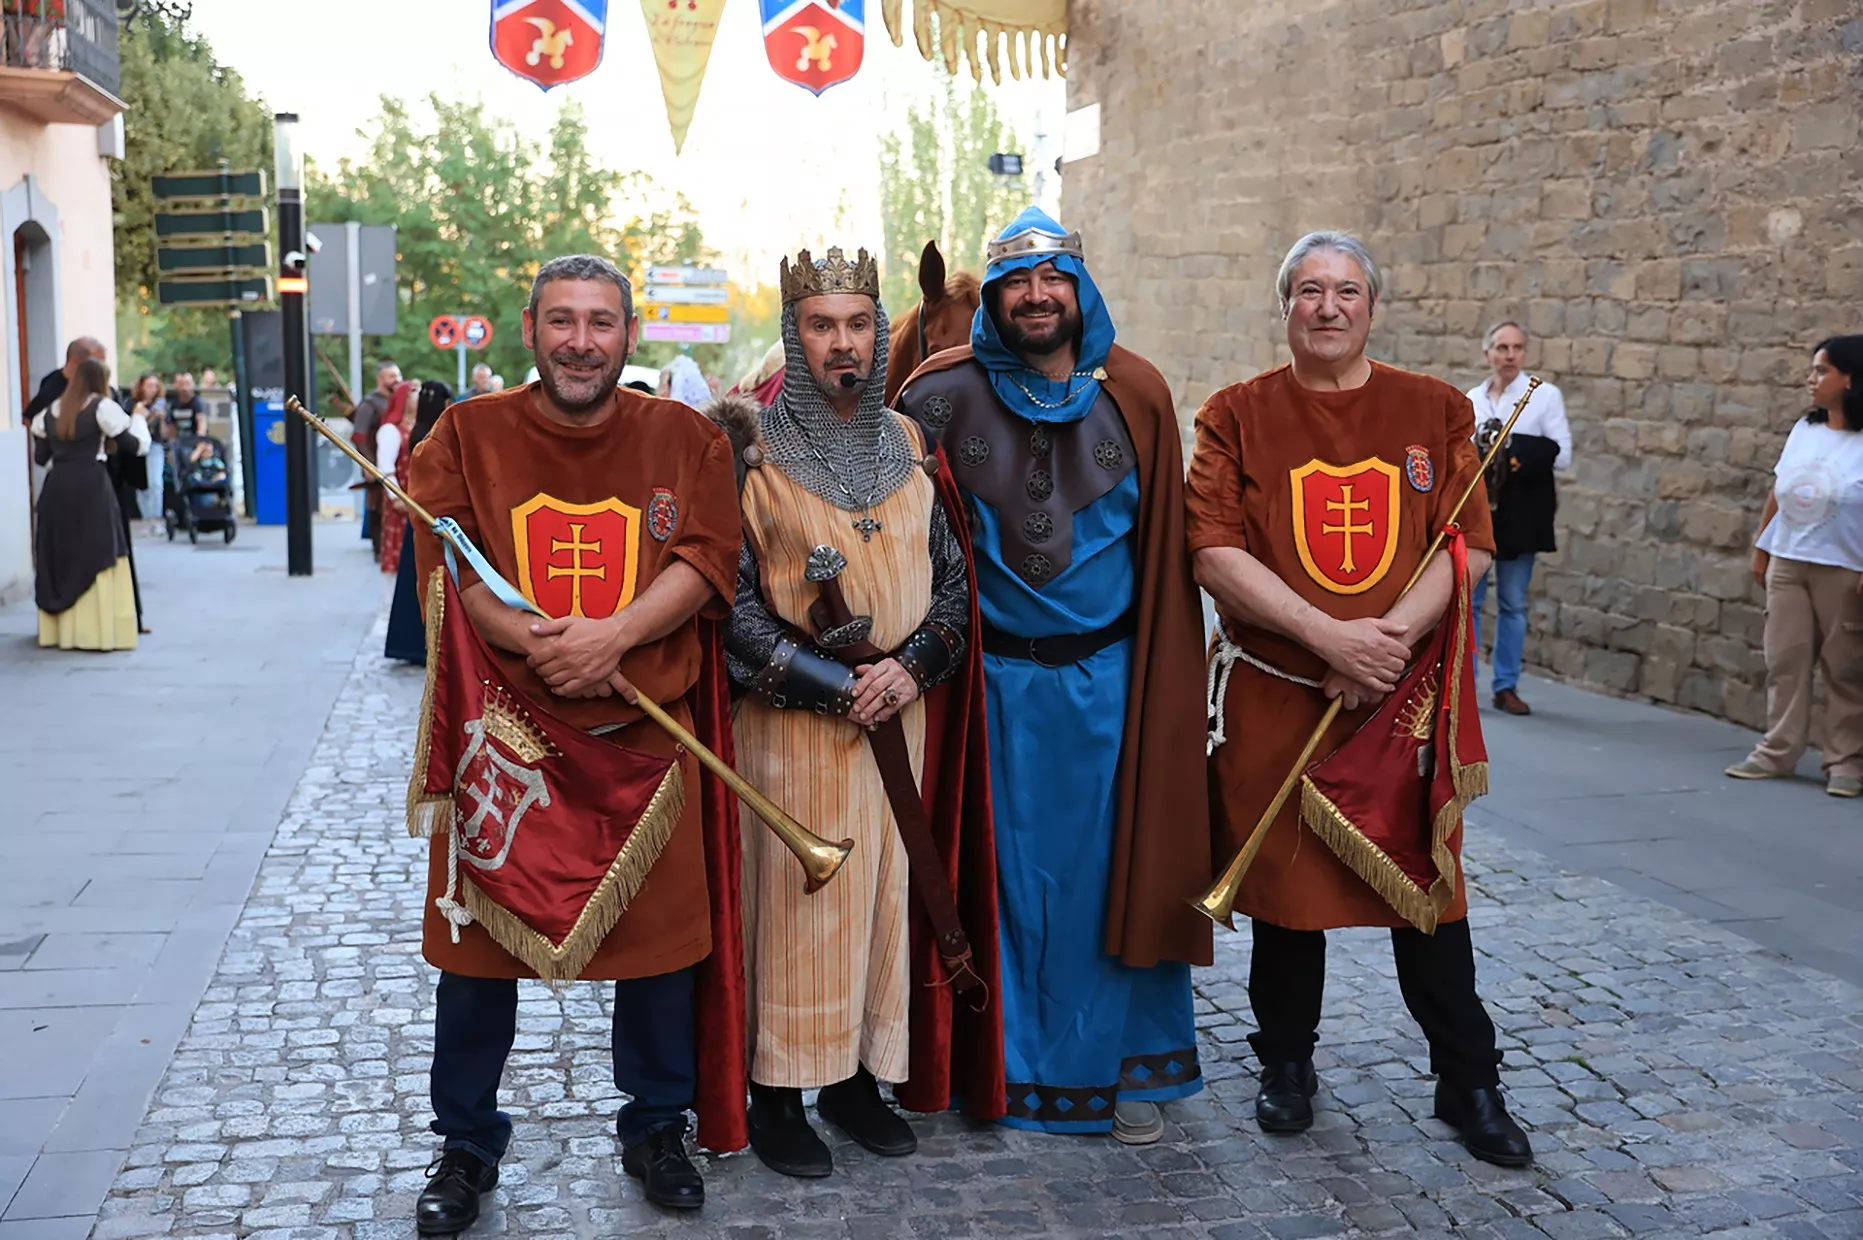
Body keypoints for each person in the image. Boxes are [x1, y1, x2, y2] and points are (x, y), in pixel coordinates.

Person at [405, 255, 743, 1234]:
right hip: (507, 740)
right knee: (477, 961)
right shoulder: (466, 434)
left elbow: (706, 557)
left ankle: (656, 1128)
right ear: (531, 328)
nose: (581, 342)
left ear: (628, 333)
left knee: (659, 955)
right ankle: (466, 1143)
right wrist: (536, 642)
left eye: (600, 322)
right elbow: (450, 562)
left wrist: (614, 638)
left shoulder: (683, 437)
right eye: (562, 321)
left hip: (642, 738)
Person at [1185, 230, 1531, 1168]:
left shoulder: (1434, 409)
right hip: (1280, 692)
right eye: (1308, 291)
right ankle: (1285, 1062)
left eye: (1345, 291)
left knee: (1429, 895)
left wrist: (1383, 648)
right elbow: (1212, 549)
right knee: (1286, 895)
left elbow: (1469, 545)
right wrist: (1328, 638)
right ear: (1285, 307)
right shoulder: (1234, 414)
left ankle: (1468, 1082)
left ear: (1371, 307)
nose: (1327, 307)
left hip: (1398, 699)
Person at [895, 207, 1213, 1144]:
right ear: (994, 297)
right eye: (1017, 283)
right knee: (991, 882)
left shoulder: (1138, 394)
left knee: (1103, 881)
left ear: (1079, 289)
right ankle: (986, 1066)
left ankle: (1115, 1067)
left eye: (1052, 279)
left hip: (1109, 689)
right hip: (982, 689)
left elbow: (1166, 555)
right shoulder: (936, 396)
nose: (1036, 297)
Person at [718, 245, 1002, 1178]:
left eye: (854, 325)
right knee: (795, 912)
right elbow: (732, 609)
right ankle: (777, 1093)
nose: (840, 343)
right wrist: (836, 685)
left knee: (883, 900)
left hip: (900, 722)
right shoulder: (752, 457)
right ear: (794, 336)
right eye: (819, 326)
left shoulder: (911, 448)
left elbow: (954, 589)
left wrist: (910, 670)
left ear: (878, 335)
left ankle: (852, 1083)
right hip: (792, 732)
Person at [1726, 335, 1863, 797]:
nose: (1811, 379)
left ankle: (1845, 762)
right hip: (1789, 560)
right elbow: (1778, 489)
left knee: (1846, 667)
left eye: (1822, 371)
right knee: (1785, 659)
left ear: (1850, 379)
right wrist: (1761, 548)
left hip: (1844, 567)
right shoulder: (1806, 429)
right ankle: (1777, 750)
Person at [1467, 321, 1571, 716]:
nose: (1510, 355)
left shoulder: (1544, 396)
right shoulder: (1472, 399)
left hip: (1521, 515)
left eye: (1517, 348)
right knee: (1470, 604)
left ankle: (1505, 685)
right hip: (1479, 514)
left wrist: (1511, 450)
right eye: (1501, 347)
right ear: (1487, 353)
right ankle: (1465, 686)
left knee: (1512, 603)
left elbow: (1562, 454)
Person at [32, 357, 148, 651]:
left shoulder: (52, 410)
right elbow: (135, 446)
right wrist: (138, 420)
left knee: (62, 551)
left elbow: (41, 458)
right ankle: (96, 632)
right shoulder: (102, 407)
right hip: (91, 487)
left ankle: (61, 632)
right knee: (97, 549)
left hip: (57, 488)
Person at [384, 381, 453, 664]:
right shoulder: (432, 437)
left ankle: (412, 643)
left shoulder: (423, 433)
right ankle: (421, 644)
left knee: (417, 579)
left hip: (425, 515)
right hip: (430, 515)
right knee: (426, 581)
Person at [354, 362, 401, 553]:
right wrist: (369, 464)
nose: (397, 380)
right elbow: (359, 436)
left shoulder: (399, 400)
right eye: (392, 376)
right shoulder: (369, 404)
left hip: (396, 462)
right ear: (380, 379)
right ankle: (379, 548)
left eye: (398, 375)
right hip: (375, 461)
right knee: (377, 504)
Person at [374, 379, 419, 574]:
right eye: (414, 392)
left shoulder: (420, 428)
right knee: (398, 558)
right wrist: (396, 497)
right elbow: (385, 468)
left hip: (418, 499)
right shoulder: (390, 431)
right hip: (401, 499)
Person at [23, 336, 105, 427]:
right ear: (75, 361)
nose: (102, 370)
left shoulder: (99, 385)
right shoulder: (51, 389)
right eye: (97, 364)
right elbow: (29, 419)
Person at [129, 373, 169, 535]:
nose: (153, 389)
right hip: (138, 445)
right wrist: (146, 415)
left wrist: (162, 418)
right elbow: (133, 424)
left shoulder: (161, 404)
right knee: (141, 485)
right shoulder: (132, 403)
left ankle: (156, 519)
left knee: (156, 483)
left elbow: (165, 434)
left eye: (155, 386)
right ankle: (146, 519)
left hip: (155, 444)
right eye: (149, 385)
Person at [167, 372, 206, 436]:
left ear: (193, 384)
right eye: (181, 384)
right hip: (179, 439)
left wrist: (199, 439)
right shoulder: (174, 404)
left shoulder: (197, 402)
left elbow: (201, 427)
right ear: (175, 385)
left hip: (194, 439)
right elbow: (172, 427)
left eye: (188, 384)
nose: (184, 388)